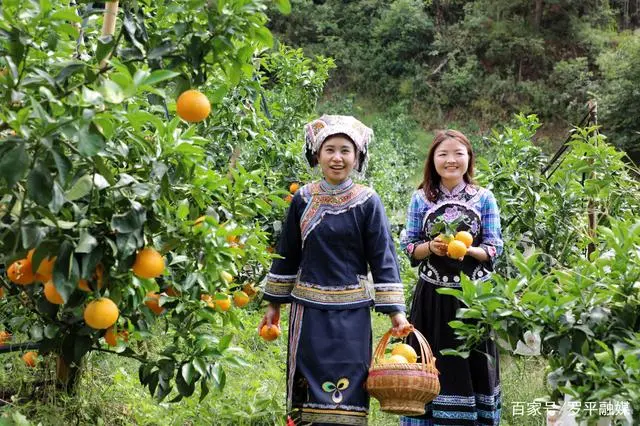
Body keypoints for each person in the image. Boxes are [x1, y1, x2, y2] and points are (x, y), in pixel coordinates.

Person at [259, 115, 411, 426]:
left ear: (357, 157)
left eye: (345, 150)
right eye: (330, 149)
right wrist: (273, 305)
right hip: (308, 311)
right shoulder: (302, 198)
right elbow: (287, 253)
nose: (337, 158)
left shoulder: (368, 202)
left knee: (351, 383)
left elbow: (382, 257)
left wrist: (397, 313)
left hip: (352, 313)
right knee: (307, 389)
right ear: (317, 155)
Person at [399, 129, 504, 426]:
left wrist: (469, 250)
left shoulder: (484, 198)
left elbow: (495, 248)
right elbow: (409, 246)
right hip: (432, 298)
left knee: (473, 362)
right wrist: (430, 247)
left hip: (473, 299)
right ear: (432, 160)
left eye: (458, 153)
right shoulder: (420, 199)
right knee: (431, 364)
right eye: (443, 154)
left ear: (468, 158)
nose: (451, 160)